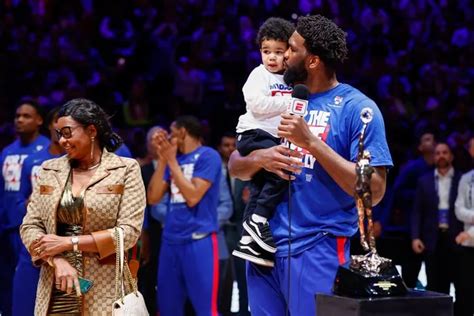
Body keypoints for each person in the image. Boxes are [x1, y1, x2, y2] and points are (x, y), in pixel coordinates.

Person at [228, 15, 392, 316]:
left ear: (312, 60)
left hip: (318, 248)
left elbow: (375, 190)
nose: (283, 55)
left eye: (291, 48)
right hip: (264, 248)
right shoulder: (278, 98)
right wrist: (258, 159)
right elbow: (235, 165)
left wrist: (312, 143)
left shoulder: (358, 108)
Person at [20, 98, 146, 315]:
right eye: (58, 133)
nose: (61, 141)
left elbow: (129, 233)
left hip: (105, 292)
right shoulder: (49, 170)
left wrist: (68, 243)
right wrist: (56, 259)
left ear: (91, 130)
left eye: (67, 132)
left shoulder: (125, 169)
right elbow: (30, 226)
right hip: (55, 288)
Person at [233, 17, 295, 267]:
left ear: (288, 52)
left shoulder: (290, 80)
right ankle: (258, 220)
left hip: (271, 136)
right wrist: (289, 103)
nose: (271, 57)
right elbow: (256, 105)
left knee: (260, 186)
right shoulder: (258, 75)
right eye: (266, 51)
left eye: (278, 52)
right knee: (282, 170)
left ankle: (249, 240)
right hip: (252, 134)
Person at [147, 115, 222, 316]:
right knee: (167, 309)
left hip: (199, 240)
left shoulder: (208, 156)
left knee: (206, 310)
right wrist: (163, 159)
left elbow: (193, 196)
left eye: (172, 132)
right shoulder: (173, 160)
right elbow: (153, 198)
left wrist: (171, 161)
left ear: (182, 132)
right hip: (170, 241)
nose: (169, 136)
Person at [12, 107, 65, 316]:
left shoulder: (81, 163)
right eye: (57, 122)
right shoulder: (33, 161)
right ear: (51, 125)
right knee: (24, 305)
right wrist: (27, 205)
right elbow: (19, 200)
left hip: (67, 244)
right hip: (33, 242)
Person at [0, 99, 49, 315]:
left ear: (39, 120)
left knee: (31, 279)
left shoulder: (48, 149)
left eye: (26, 116)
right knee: (8, 275)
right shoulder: (6, 151)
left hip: (33, 227)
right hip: (7, 223)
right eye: (17, 116)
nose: (20, 120)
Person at [379, 131, 436, 288]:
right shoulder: (412, 168)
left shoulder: (440, 168)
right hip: (411, 225)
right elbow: (396, 191)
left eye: (433, 140)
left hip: (433, 227)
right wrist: (420, 194)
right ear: (419, 146)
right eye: (426, 139)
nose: (431, 142)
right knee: (411, 270)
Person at [411, 142, 463, 314]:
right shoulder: (423, 181)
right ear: (433, 157)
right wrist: (415, 237)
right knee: (434, 287)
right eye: (438, 153)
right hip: (432, 239)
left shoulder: (462, 179)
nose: (441, 155)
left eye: (445, 152)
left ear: (451, 156)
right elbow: (417, 211)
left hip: (457, 239)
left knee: (460, 286)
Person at [454, 136, 474, 316]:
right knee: (466, 291)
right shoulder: (466, 178)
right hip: (468, 245)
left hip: (468, 235)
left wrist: (470, 231)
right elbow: (459, 209)